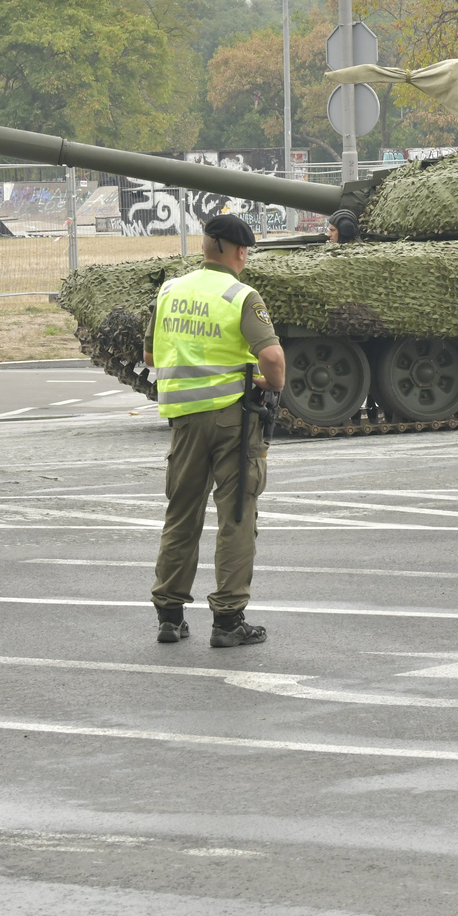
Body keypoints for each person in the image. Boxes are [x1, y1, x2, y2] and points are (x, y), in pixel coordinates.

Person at [144, 213, 285, 648]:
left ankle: (169, 616)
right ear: (240, 251)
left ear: (206, 246)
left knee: (181, 513)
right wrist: (273, 386)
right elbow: (274, 359)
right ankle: (227, 621)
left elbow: (150, 356)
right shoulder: (239, 295)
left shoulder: (169, 290)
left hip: (184, 421)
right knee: (237, 516)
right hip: (233, 419)